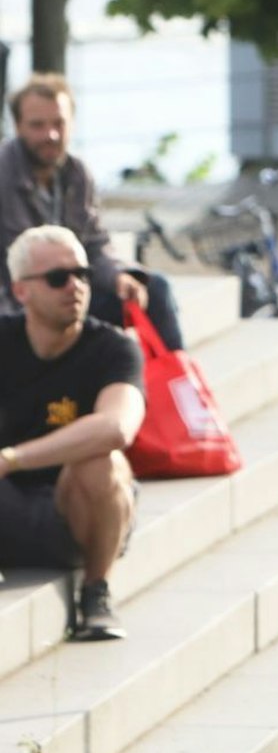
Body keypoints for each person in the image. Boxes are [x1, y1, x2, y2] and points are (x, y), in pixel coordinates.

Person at [0, 225, 144, 642]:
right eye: (58, 278)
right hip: (8, 507)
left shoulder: (114, 348)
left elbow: (116, 427)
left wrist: (13, 458)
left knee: (101, 461)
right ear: (21, 291)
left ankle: (96, 593)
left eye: (82, 274)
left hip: (78, 518)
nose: (75, 286)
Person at [0, 74, 186, 351]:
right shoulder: (4, 174)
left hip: (70, 292)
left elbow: (95, 244)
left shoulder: (77, 173)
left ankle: (177, 375)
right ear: (17, 126)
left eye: (59, 123)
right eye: (38, 125)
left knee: (154, 289)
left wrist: (119, 276)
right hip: (19, 303)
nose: (51, 135)